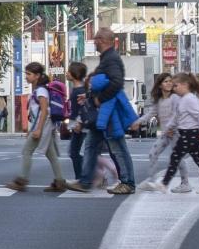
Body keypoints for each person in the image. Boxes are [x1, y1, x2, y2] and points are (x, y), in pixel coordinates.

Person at [81, 27, 136, 194]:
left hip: (110, 112)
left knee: (118, 148)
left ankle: (127, 182)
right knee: (93, 145)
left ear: (103, 40)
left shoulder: (110, 59)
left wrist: (99, 98)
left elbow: (116, 82)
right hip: (105, 112)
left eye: (96, 38)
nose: (94, 41)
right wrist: (90, 96)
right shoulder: (108, 57)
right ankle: (84, 180)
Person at [9, 60, 69, 193]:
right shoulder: (39, 89)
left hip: (44, 126)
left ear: (37, 76)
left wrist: (38, 129)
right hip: (45, 126)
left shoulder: (41, 90)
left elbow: (44, 111)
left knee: (27, 151)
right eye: (26, 73)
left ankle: (22, 181)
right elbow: (38, 113)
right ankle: (59, 181)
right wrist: (32, 129)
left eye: (29, 74)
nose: (26, 76)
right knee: (51, 155)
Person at [158, 74, 199, 193]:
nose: (173, 88)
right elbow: (177, 116)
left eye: (176, 85)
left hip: (189, 135)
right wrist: (170, 127)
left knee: (175, 157)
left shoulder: (190, 99)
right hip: (189, 134)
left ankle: (164, 184)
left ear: (185, 85)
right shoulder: (184, 99)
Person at [65, 61, 93, 183]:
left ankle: (81, 177)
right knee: (74, 151)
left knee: (74, 152)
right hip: (77, 124)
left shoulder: (79, 90)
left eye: (69, 71)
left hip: (79, 125)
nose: (66, 73)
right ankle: (84, 176)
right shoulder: (78, 89)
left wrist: (78, 123)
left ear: (74, 74)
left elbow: (82, 108)